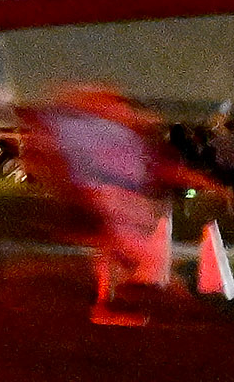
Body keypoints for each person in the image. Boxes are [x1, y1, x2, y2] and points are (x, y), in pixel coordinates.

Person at [17, 85, 218, 324]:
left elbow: (159, 168)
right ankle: (173, 302)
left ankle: (110, 305)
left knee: (115, 256)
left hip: (116, 198)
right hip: (108, 197)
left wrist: (207, 183)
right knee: (139, 254)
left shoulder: (114, 134)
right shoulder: (97, 130)